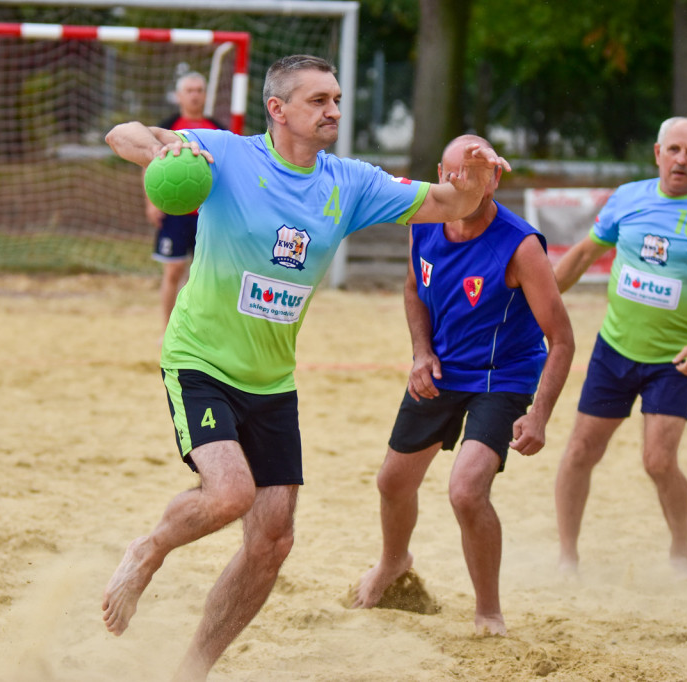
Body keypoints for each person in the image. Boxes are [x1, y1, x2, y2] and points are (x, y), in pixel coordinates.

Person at [101, 55, 511, 681]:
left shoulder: (350, 183)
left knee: (272, 541)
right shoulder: (226, 154)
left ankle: (191, 671)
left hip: (272, 380)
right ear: (278, 108)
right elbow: (124, 135)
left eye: (338, 99)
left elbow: (452, 201)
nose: (335, 112)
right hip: (200, 360)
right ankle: (147, 550)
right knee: (231, 493)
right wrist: (161, 154)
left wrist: (478, 172)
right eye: (319, 100)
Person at [350, 135, 574, 636]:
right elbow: (413, 289)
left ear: (494, 180)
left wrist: (539, 414)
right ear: (440, 173)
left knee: (466, 491)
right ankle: (393, 561)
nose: (462, 186)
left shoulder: (520, 246)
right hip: (443, 368)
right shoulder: (423, 221)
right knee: (392, 482)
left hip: (502, 376)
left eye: (476, 177)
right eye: (453, 175)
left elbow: (561, 340)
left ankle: (488, 611)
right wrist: (421, 353)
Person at [552, 116, 687, 576]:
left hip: (675, 360)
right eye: (674, 150)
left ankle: (682, 551)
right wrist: (536, 305)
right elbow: (583, 254)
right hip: (614, 349)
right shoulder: (628, 198)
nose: (681, 159)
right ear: (657, 153)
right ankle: (567, 558)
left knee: (659, 462)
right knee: (580, 452)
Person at [148, 72, 225, 336]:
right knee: (173, 271)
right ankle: (166, 330)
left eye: (200, 90)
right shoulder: (168, 127)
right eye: (190, 90)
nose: (195, 94)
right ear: (179, 96)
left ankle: (194, 330)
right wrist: (151, 201)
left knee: (203, 275)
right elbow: (148, 163)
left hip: (208, 213)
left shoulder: (217, 129)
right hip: (175, 211)